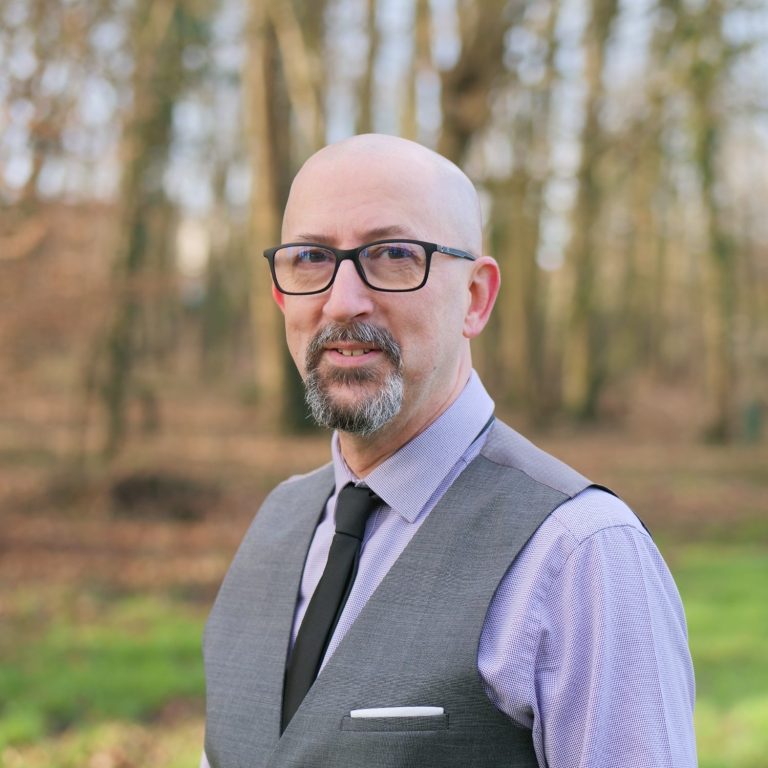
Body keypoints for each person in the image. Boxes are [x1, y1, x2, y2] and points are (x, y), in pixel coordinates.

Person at [201, 134, 696, 768]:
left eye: (393, 254)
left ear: (475, 298)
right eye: (311, 258)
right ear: (281, 295)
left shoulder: (580, 554)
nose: (342, 301)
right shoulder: (276, 523)